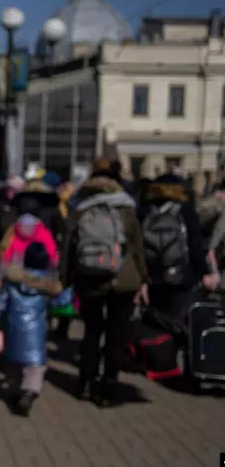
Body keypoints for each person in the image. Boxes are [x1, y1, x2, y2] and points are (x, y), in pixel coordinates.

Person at [61, 157, 147, 407]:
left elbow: (67, 246)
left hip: (89, 278)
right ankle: (109, 386)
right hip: (123, 278)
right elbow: (137, 247)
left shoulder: (79, 208)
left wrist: (65, 278)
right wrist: (143, 278)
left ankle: (86, 382)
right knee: (116, 333)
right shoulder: (127, 209)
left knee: (91, 331)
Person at [0, 242, 69, 417]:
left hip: (13, 329)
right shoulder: (46, 286)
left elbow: (0, 304)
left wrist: (0, 322)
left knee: (13, 362)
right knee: (35, 367)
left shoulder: (12, 283)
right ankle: (29, 392)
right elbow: (61, 302)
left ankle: (14, 390)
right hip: (36, 332)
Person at [139, 170, 219, 319]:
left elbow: (138, 246)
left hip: (153, 276)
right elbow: (194, 244)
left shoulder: (146, 210)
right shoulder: (185, 210)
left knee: (155, 320)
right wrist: (204, 272)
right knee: (177, 320)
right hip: (181, 276)